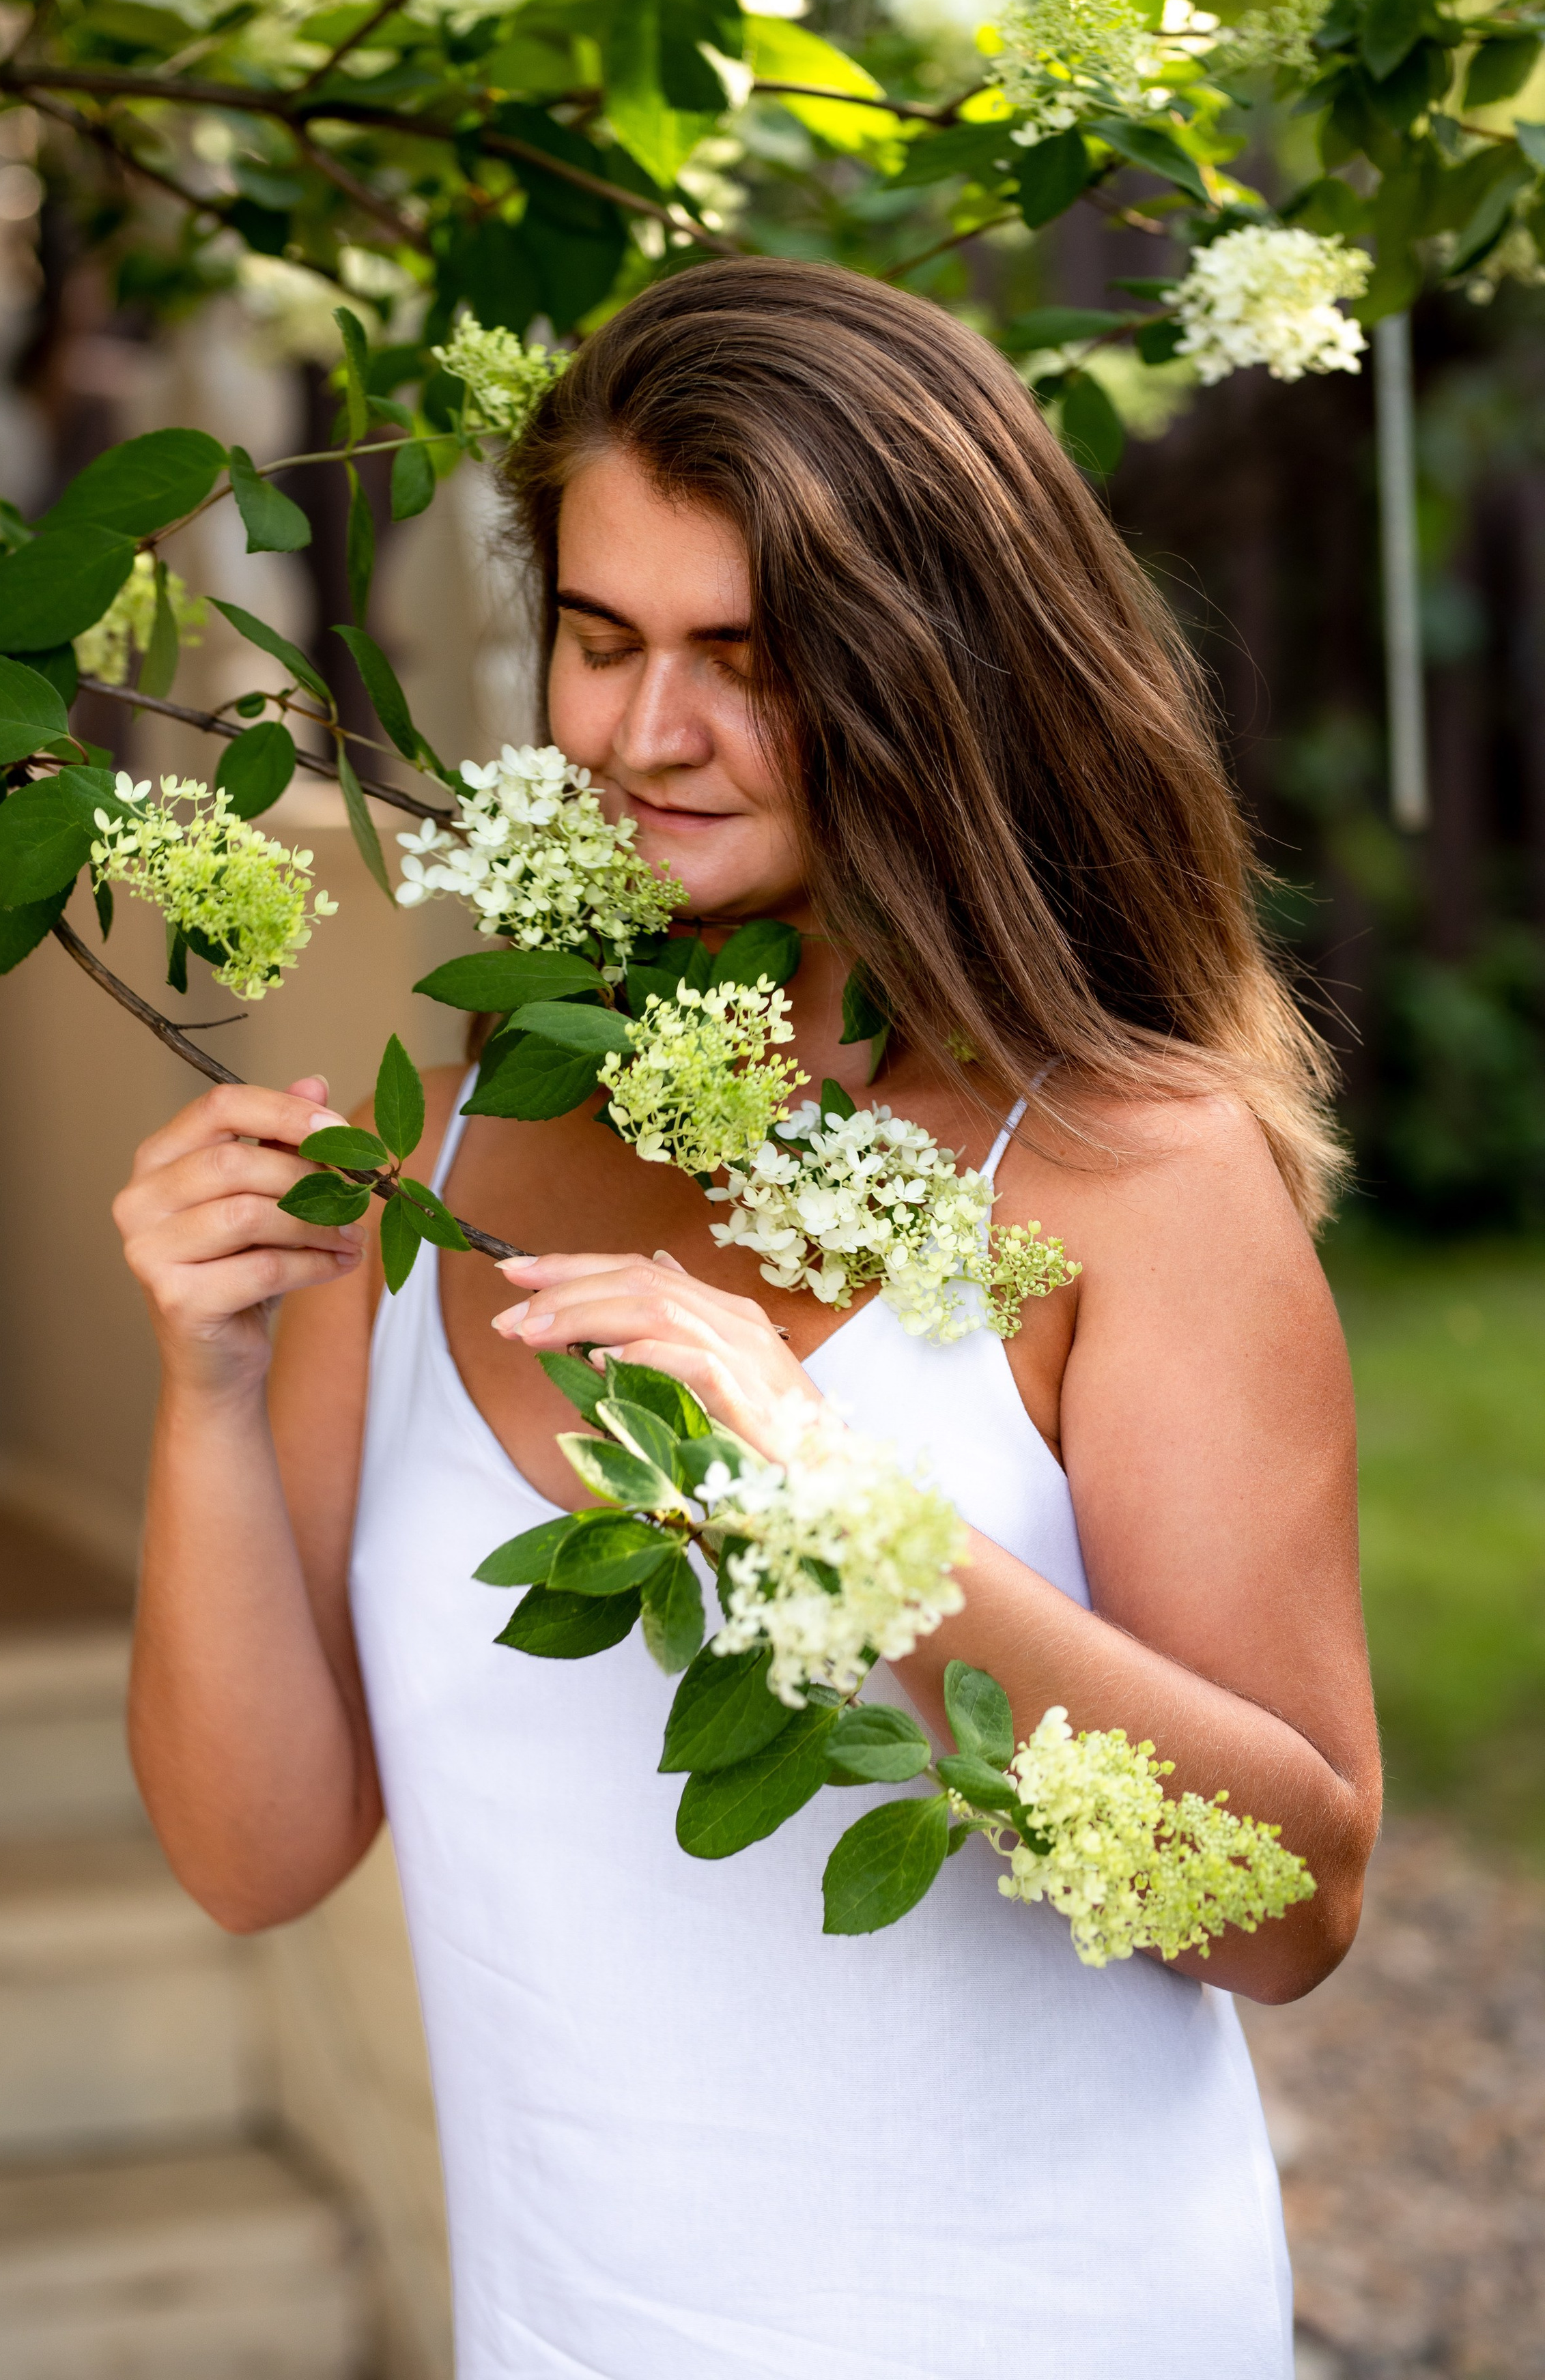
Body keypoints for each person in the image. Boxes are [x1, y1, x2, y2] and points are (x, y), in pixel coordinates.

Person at [116, 259, 1381, 2379]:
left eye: (745, 657)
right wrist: (208, 1384)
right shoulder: (456, 1120)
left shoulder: (1129, 1172)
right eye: (600, 639)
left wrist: (838, 1524)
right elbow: (255, 1855)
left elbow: (1289, 1911)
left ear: (932, 674)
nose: (640, 732)